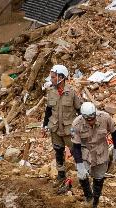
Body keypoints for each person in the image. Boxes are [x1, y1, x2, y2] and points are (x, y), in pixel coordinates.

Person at [69, 102, 116, 208]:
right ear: (83, 117)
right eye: (88, 120)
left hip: (100, 150)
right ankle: (88, 197)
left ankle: (95, 202)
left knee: (99, 176)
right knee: (82, 175)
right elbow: (76, 146)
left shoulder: (105, 117)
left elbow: (115, 132)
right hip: (84, 150)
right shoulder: (76, 124)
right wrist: (80, 165)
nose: (91, 121)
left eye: (93, 118)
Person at [42, 64, 81, 193]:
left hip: (69, 130)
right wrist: (44, 126)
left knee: (76, 152)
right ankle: (61, 175)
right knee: (58, 151)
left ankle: (81, 177)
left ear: (61, 77)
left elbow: (80, 110)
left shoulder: (71, 93)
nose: (51, 79)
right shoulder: (51, 92)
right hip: (55, 129)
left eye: (53, 77)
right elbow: (48, 111)